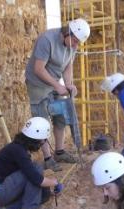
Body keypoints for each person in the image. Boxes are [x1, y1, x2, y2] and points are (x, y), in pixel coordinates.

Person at [25, 18, 91, 172]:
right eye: (74, 41)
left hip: (54, 82)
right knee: (42, 121)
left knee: (61, 116)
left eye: (77, 43)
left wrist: (68, 84)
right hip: (38, 84)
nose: (75, 45)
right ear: (67, 33)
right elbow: (38, 69)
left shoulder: (72, 44)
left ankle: (59, 152)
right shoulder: (46, 40)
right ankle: (48, 158)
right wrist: (57, 85)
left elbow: (68, 66)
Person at [0, 117, 63, 209]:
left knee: (43, 195)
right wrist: (55, 182)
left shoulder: (19, 149)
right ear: (37, 139)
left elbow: (35, 183)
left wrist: (48, 192)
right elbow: (36, 178)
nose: (43, 142)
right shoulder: (17, 150)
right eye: (44, 140)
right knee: (36, 168)